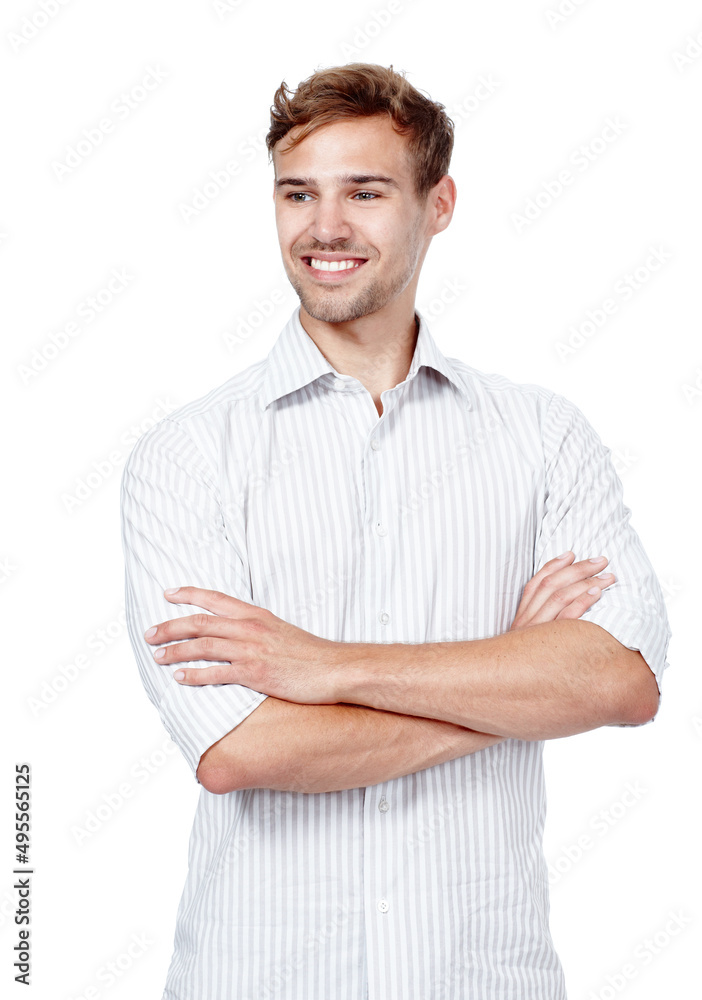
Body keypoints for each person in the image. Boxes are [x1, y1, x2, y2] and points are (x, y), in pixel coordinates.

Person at [120, 63, 670, 1000]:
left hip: (483, 977)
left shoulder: (542, 437)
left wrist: (327, 668)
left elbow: (622, 680)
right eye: (299, 194)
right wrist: (512, 676)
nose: (323, 228)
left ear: (439, 201)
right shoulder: (186, 456)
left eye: (364, 192)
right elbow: (243, 750)